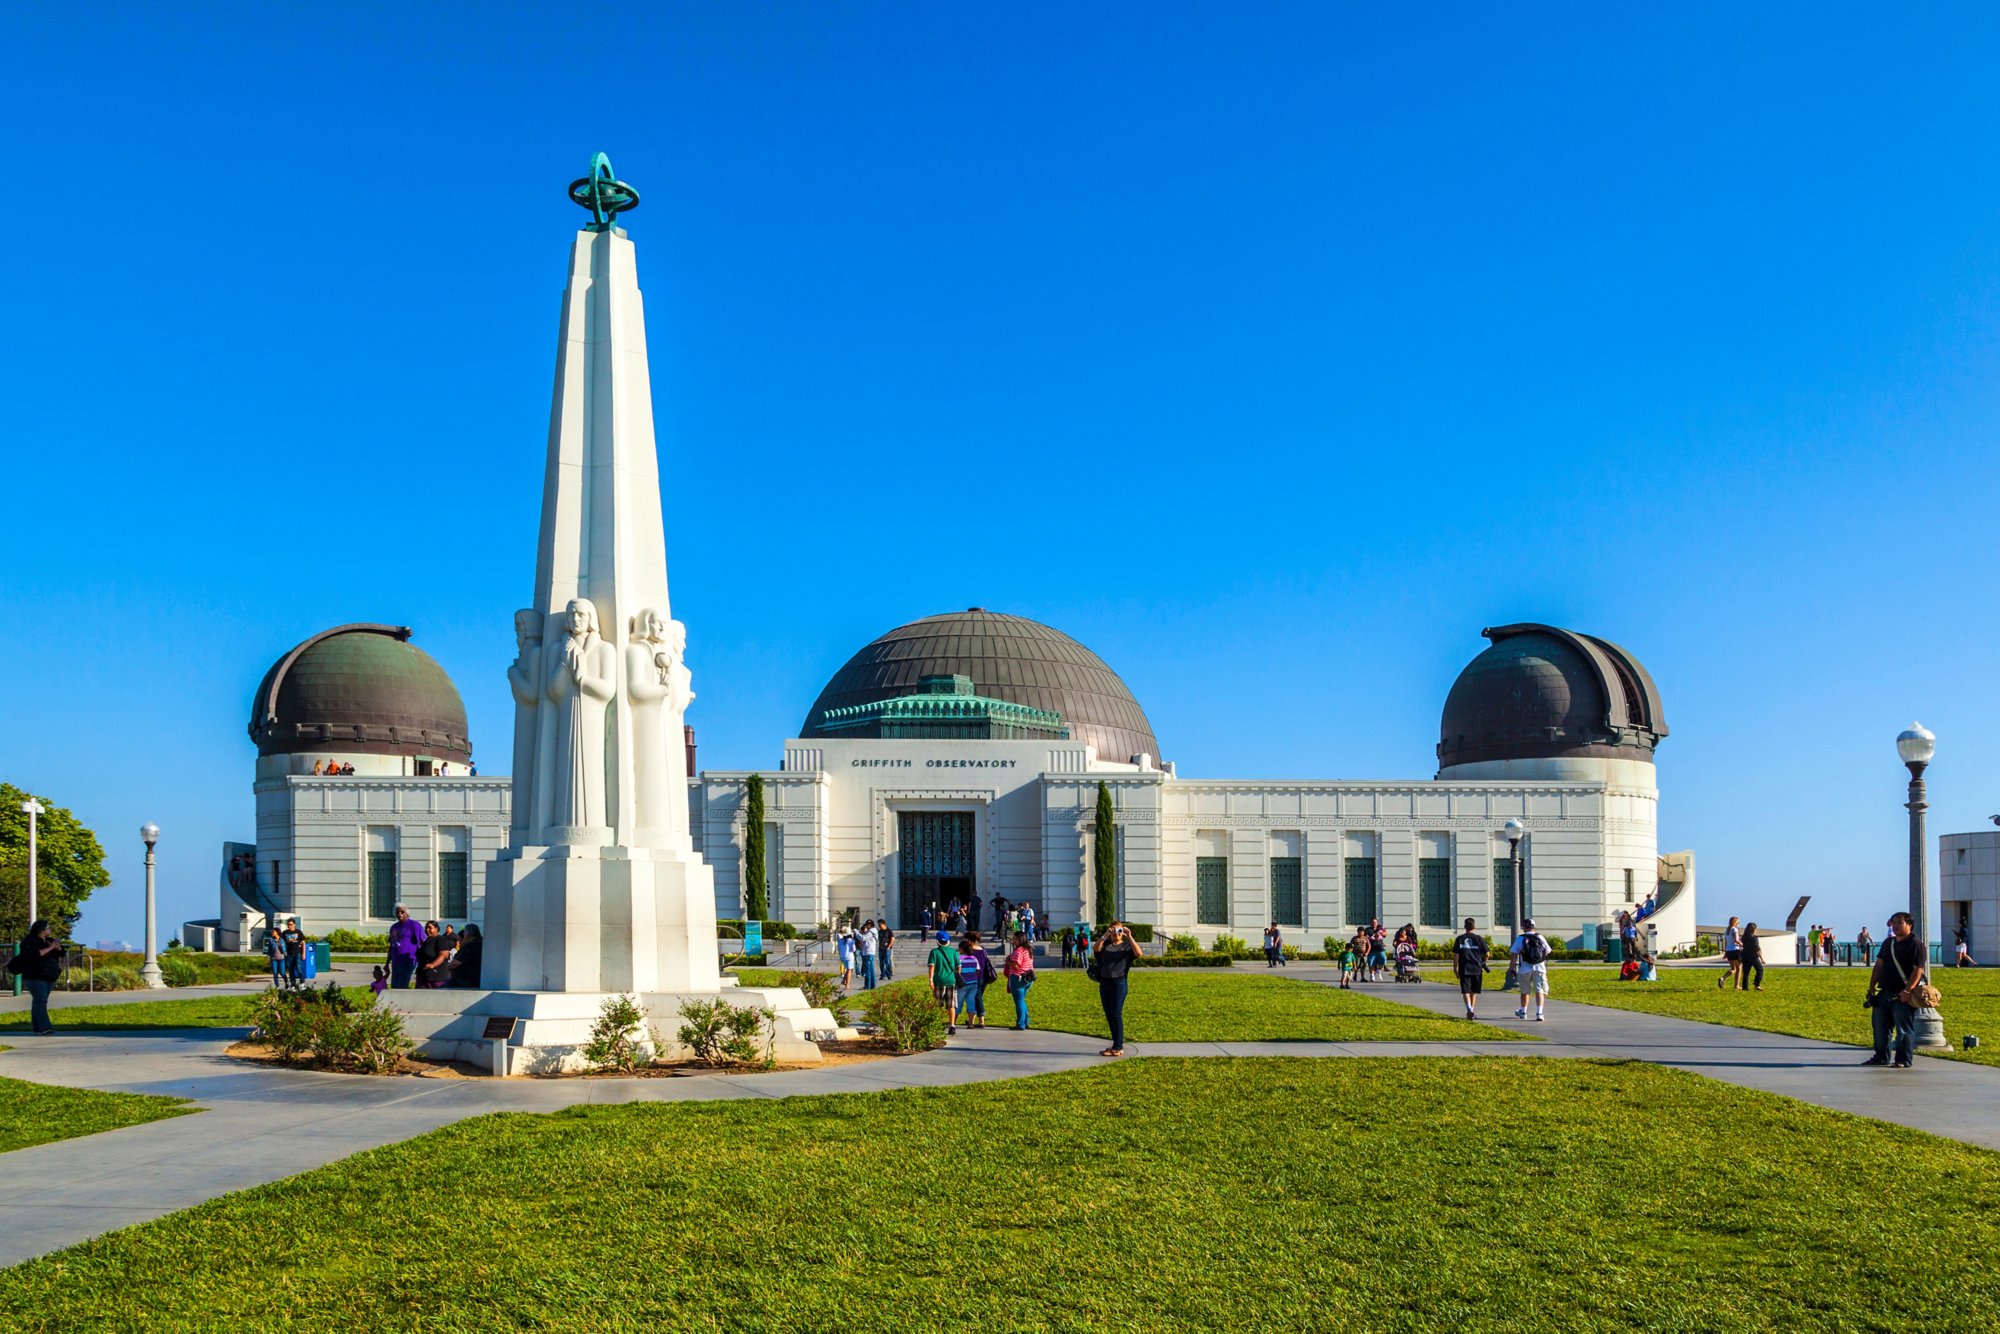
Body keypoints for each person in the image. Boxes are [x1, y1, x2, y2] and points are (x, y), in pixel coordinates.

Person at [1865, 911, 1927, 1069]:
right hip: (1884, 992)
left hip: (1902, 995)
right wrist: (1872, 987)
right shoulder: (1888, 943)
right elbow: (1879, 965)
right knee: (1880, 1028)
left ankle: (1903, 1059)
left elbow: (1918, 969)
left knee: (1904, 1030)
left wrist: (1907, 991)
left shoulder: (1916, 944)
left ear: (1909, 924)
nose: (1896, 926)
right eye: (1893, 923)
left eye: (1900, 923)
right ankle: (1881, 1057)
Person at [1091, 922, 1141, 1057]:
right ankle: (1115, 1045)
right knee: (1109, 1014)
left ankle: (1118, 1046)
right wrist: (1105, 935)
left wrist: (1129, 937)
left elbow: (1138, 953)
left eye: (1119, 930)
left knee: (1116, 1013)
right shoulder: (1106, 945)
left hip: (1119, 982)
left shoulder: (1126, 947)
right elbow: (1095, 949)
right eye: (1113, 930)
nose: (1116, 933)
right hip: (1105, 982)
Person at [10, 920, 64, 1034]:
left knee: (40, 1001)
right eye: (47, 928)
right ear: (41, 930)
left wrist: (58, 948)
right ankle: (45, 1026)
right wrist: (50, 948)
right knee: (40, 1000)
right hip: (35, 976)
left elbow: (61, 953)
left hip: (49, 975)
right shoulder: (29, 942)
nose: (49, 930)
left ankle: (37, 1026)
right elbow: (33, 955)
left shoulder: (49, 940)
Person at [1511, 918, 1551, 1021]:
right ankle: (1539, 1013)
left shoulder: (1520, 939)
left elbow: (1514, 953)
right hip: (1539, 967)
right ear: (1534, 927)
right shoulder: (1540, 937)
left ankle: (1523, 1012)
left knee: (1525, 991)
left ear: (1524, 927)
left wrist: (1511, 968)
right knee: (1539, 990)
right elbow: (1548, 951)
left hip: (1524, 968)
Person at [957, 931, 995, 1028]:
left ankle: (981, 1020)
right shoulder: (982, 949)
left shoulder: (970, 950)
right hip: (983, 977)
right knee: (975, 997)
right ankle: (972, 1020)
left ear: (969, 939)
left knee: (977, 998)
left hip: (974, 977)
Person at [927, 932, 962, 1036]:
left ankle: (936, 1024)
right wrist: (957, 975)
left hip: (938, 981)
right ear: (948, 941)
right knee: (951, 1005)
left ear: (937, 941)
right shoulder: (954, 952)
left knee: (937, 1004)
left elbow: (931, 966)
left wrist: (930, 980)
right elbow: (959, 966)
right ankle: (952, 1025)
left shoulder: (934, 952)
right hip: (951, 981)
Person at [1452, 917, 1488, 1019]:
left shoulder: (1460, 939)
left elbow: (1456, 955)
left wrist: (1455, 968)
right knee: (1474, 991)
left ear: (1464, 927)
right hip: (1477, 968)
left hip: (1464, 968)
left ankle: (1469, 1010)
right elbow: (1487, 953)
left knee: (1466, 991)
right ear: (1474, 926)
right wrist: (1482, 962)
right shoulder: (1479, 939)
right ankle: (1472, 1010)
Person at [387, 905, 425, 989]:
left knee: (403, 984)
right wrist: (387, 963)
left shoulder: (414, 925)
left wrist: (422, 960)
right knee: (395, 986)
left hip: (409, 959)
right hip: (396, 961)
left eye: (402, 912)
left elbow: (421, 942)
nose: (400, 914)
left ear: (407, 914)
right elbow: (391, 945)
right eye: (397, 913)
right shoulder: (394, 927)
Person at [1004, 931, 1036, 1030]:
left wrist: (1007, 961)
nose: (1013, 941)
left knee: (1018, 1001)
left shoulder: (1019, 951)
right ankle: (1026, 1021)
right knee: (1021, 1000)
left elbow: (1016, 966)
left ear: (1020, 940)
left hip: (1017, 978)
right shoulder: (1028, 950)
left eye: (1015, 939)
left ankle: (1021, 1023)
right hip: (1028, 978)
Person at [416, 920, 454, 989]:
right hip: (424, 978)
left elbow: (444, 955)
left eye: (430, 928)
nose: (427, 930)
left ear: (436, 929)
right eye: (426, 928)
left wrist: (433, 964)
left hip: (437, 978)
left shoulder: (441, 940)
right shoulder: (426, 941)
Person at [451, 923, 483, 988]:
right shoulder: (482, 942)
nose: (459, 942)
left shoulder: (471, 946)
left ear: (467, 934)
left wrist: (448, 966)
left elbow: (456, 963)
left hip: (466, 981)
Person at [1736, 922, 1764, 991]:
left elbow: (1742, 946)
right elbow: (1757, 948)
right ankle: (1756, 984)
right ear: (1754, 929)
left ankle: (1745, 987)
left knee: (1746, 972)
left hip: (1745, 956)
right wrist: (1762, 958)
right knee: (1760, 969)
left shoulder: (1744, 937)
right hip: (1753, 956)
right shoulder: (1754, 938)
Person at [280, 917, 307, 987]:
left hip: (297, 953)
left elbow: (303, 943)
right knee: (290, 969)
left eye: (291, 924)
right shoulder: (285, 933)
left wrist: (303, 953)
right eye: (288, 924)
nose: (289, 926)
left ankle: (302, 982)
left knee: (298, 968)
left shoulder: (298, 932)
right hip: (289, 953)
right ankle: (293, 983)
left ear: (294, 924)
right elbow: (281, 942)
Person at [1718, 916, 1742, 990]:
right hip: (1735, 950)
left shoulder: (1727, 931)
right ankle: (1736, 985)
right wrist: (1742, 944)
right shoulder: (1734, 929)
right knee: (1739, 969)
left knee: (1733, 969)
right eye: (1738, 922)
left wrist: (1725, 953)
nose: (1738, 924)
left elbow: (1728, 942)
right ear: (1735, 922)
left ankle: (1723, 978)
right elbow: (1736, 940)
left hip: (1729, 951)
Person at [857, 919, 880, 990]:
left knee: (867, 970)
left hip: (868, 952)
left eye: (869, 924)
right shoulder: (874, 931)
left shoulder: (870, 932)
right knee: (871, 970)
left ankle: (867, 986)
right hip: (870, 952)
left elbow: (862, 938)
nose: (868, 925)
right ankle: (872, 985)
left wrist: (856, 932)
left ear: (872, 925)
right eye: (867, 924)